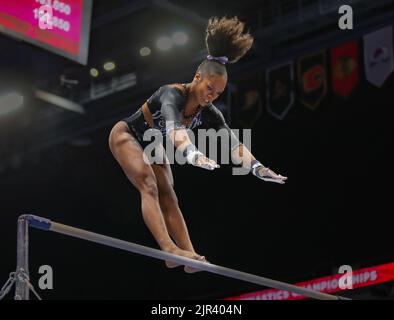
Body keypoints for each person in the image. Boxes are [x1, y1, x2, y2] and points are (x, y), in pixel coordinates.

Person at [109, 16, 287, 273]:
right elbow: (174, 130)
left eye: (217, 94)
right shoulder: (171, 94)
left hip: (153, 144)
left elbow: (234, 145)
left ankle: (187, 256)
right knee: (148, 185)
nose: (211, 96)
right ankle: (168, 249)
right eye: (209, 88)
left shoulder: (210, 112)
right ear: (198, 77)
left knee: (170, 195)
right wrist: (193, 155)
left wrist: (259, 169)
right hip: (127, 135)